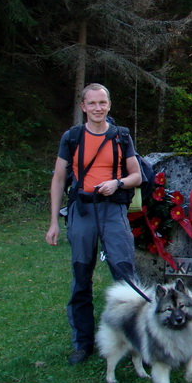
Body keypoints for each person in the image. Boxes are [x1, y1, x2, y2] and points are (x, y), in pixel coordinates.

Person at [45, 83, 142, 365]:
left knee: (125, 276)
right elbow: (59, 180)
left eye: (103, 103)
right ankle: (82, 344)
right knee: (81, 278)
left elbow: (136, 175)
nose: (98, 108)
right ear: (83, 107)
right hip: (82, 212)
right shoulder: (72, 137)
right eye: (92, 103)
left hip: (113, 211)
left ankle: (135, 342)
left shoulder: (121, 136)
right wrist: (53, 221)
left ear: (109, 105)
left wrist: (117, 183)